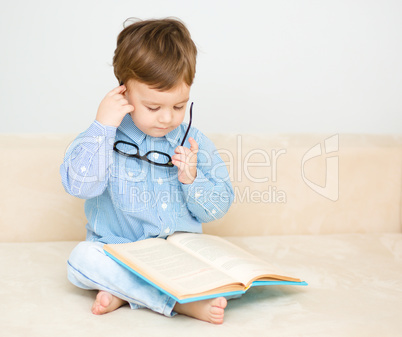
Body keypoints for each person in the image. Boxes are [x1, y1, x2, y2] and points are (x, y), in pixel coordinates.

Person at [60, 18, 234, 324]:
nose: (167, 118)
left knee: (230, 271)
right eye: (153, 107)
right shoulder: (102, 136)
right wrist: (102, 128)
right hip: (123, 256)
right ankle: (175, 302)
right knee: (82, 260)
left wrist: (191, 180)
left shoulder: (194, 142)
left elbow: (218, 206)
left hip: (179, 259)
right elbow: (80, 187)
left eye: (179, 106)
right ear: (124, 93)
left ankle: (125, 293)